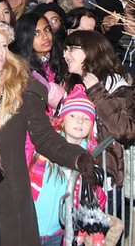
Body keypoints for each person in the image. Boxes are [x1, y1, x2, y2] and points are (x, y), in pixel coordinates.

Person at [0, 18, 96, 246]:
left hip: (10, 192)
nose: (0, 51)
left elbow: (44, 137)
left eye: (3, 45)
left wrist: (78, 157)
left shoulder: (23, 88)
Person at [27, 85, 105, 246]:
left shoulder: (90, 156)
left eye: (86, 118)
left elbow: (98, 199)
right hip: (29, 225)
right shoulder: (43, 145)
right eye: (73, 115)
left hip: (58, 232)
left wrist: (94, 187)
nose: (79, 121)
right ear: (62, 120)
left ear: (92, 126)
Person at [63, 29, 135, 185]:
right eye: (65, 49)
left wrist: (97, 92)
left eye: (71, 49)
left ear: (91, 51)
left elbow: (126, 131)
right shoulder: (72, 84)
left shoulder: (118, 87)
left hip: (104, 177)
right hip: (72, 170)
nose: (65, 55)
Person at [12, 13, 66, 113]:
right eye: (36, 34)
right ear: (25, 38)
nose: (45, 37)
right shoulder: (19, 71)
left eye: (47, 30)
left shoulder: (59, 59)